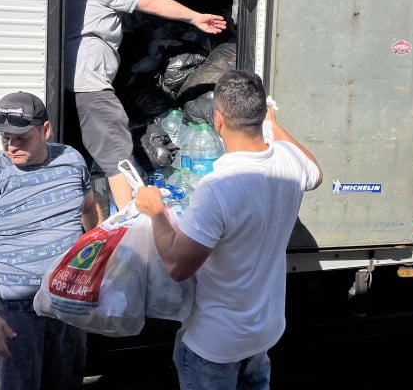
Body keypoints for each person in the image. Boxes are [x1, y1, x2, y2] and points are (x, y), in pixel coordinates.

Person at [135, 70, 322, 390]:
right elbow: (315, 171)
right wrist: (274, 125)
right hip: (263, 334)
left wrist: (156, 214)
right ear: (262, 113)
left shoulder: (218, 187)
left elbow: (178, 267)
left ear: (218, 120)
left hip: (215, 346)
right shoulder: (290, 161)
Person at [64, 0, 227, 215]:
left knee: (96, 150)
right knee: (116, 150)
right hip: (92, 85)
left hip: (82, 81)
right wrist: (195, 17)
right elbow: (148, 1)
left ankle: (98, 216)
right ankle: (128, 219)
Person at [0, 91, 98, 390]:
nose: (12, 145)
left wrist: (99, 259)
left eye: (21, 137)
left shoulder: (72, 161)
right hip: (17, 313)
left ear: (45, 131)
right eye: (5, 137)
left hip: (68, 301)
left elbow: (88, 210)